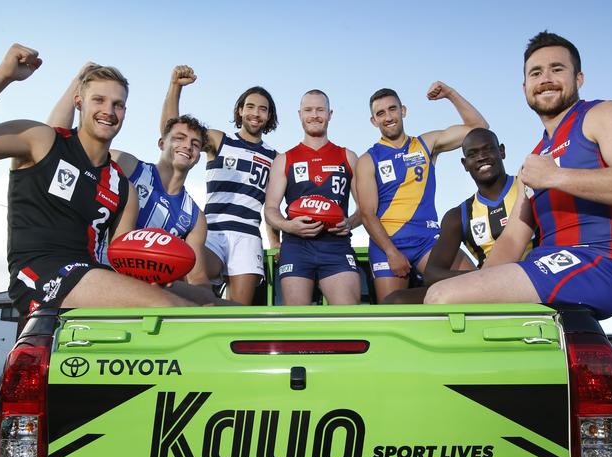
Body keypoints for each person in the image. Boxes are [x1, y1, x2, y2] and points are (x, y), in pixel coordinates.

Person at [0, 43, 197, 314]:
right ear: (79, 101)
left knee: (209, 305)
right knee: (173, 309)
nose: (109, 111)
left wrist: (155, 272)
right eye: (98, 100)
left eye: (118, 104)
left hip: (91, 274)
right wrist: (3, 74)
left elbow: (123, 261)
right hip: (40, 274)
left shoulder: (123, 187)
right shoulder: (43, 140)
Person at [425, 32, 612, 320]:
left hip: (599, 261)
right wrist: (480, 285)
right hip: (547, 263)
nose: (546, 79)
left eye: (557, 69)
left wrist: (557, 177)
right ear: (525, 86)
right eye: (536, 73)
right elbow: (513, 240)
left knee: (443, 298)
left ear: (579, 79)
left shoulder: (600, 114)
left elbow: (557, 177)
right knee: (441, 299)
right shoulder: (537, 157)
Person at [48, 65, 220, 304]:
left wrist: (168, 279)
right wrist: (78, 80)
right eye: (179, 138)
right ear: (161, 143)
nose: (187, 146)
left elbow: (201, 286)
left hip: (148, 294)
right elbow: (60, 147)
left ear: (199, 155)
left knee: (221, 306)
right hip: (94, 278)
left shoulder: (194, 217)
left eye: (194, 143)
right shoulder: (128, 165)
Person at [356, 83, 488, 303]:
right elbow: (368, 214)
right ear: (374, 121)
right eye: (380, 113)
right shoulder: (368, 160)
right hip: (388, 243)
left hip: (427, 240)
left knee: (479, 288)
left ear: (403, 110)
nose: (388, 117)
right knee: (392, 315)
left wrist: (451, 95)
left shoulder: (426, 143)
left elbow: (480, 128)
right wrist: (392, 253)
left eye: (392, 109)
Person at [160, 66, 280, 305]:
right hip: (213, 231)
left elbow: (271, 205)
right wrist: (175, 88)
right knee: (191, 288)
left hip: (248, 236)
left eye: (263, 109)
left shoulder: (276, 158)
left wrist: (275, 242)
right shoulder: (219, 140)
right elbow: (173, 132)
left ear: (269, 116)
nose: (256, 113)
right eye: (250, 107)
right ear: (240, 110)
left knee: (239, 311)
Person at [264, 89, 361, 305]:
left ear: (330, 114)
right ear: (300, 114)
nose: (314, 115)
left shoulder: (348, 156)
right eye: (308, 110)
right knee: (296, 322)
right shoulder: (284, 159)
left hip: (336, 245)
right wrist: (288, 227)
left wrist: (350, 223)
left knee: (349, 317)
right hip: (296, 246)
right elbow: (270, 208)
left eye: (320, 110)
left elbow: (365, 208)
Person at [423, 128, 535, 284]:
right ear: (464, 164)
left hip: (535, 279)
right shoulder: (458, 216)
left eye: (488, 149)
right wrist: (482, 277)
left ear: (501, 151)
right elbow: (432, 274)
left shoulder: (531, 187)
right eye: (472, 154)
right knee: (397, 300)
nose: (481, 157)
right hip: (488, 288)